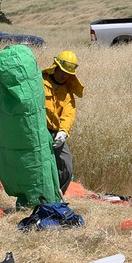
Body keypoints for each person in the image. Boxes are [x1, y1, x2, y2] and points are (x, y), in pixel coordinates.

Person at [42, 50, 84, 194]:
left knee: (66, 166)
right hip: (40, 131)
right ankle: (41, 199)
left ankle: (56, 198)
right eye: (62, 71)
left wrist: (63, 132)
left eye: (67, 73)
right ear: (55, 67)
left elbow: (68, 112)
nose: (63, 75)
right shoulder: (40, 82)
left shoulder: (67, 91)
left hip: (56, 132)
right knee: (42, 167)